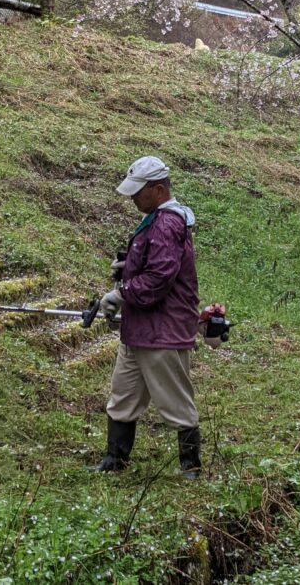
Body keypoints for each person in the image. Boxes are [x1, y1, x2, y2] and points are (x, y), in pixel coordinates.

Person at [96, 155, 203, 479]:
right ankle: (114, 461)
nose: (132, 199)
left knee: (175, 401)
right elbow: (153, 263)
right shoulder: (157, 219)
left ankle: (191, 468)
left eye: (137, 192)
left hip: (162, 330)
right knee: (123, 395)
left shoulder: (168, 222)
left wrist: (121, 293)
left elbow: (159, 278)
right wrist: (128, 266)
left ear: (157, 190)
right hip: (139, 329)